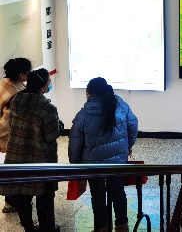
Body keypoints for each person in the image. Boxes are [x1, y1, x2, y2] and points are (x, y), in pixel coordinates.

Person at [68, 77, 138, 232]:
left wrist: (75, 165)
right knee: (118, 192)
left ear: (90, 93)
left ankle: (102, 227)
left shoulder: (83, 114)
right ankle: (122, 226)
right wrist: (128, 146)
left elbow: (75, 143)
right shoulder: (121, 106)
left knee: (98, 194)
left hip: (94, 164)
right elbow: (133, 126)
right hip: (118, 161)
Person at [0, 68, 61, 232]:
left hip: (17, 155)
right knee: (44, 194)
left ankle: (28, 227)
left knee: (22, 193)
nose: (50, 84)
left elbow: (12, 124)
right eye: (48, 82)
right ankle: (46, 227)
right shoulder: (47, 108)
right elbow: (51, 135)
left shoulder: (16, 100)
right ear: (42, 87)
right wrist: (59, 125)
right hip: (39, 156)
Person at [0, 57, 31, 214]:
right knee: (16, 171)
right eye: (28, 73)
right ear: (21, 75)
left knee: (11, 170)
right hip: (11, 139)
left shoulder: (5, 83)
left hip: (8, 138)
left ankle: (10, 202)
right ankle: (12, 203)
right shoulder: (16, 94)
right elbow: (5, 123)